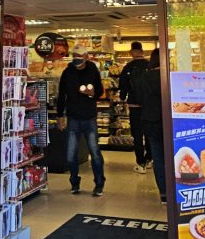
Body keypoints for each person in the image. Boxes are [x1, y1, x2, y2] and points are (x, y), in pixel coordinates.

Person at [57, 46, 106, 196]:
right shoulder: (67, 72)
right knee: (71, 155)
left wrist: (92, 94)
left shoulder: (92, 70)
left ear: (86, 56)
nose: (76, 58)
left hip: (89, 117)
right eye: (74, 55)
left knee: (95, 152)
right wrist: (60, 116)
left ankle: (99, 183)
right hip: (73, 118)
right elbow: (61, 95)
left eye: (79, 55)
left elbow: (99, 91)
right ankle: (74, 182)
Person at [131, 47, 167, 202]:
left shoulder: (145, 77)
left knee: (158, 158)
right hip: (168, 120)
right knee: (173, 156)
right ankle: (175, 191)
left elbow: (139, 98)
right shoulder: (168, 77)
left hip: (150, 120)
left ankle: (164, 193)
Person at [117, 41, 152, 172]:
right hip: (148, 106)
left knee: (137, 135)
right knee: (149, 133)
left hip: (134, 105)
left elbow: (123, 87)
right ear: (142, 51)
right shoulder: (150, 65)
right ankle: (149, 158)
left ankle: (140, 162)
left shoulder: (128, 67)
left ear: (132, 52)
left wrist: (122, 97)